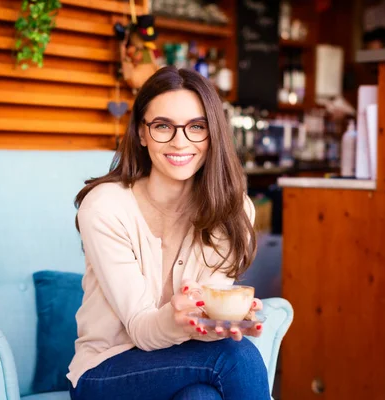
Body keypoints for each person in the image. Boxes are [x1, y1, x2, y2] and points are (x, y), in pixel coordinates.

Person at [67, 66, 270, 400]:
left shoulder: (232, 212)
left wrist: (216, 322)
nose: (180, 142)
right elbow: (142, 330)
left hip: (185, 364)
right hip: (104, 373)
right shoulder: (105, 207)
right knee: (237, 357)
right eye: (163, 126)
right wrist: (180, 321)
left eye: (197, 127)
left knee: (201, 397)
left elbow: (204, 319)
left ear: (213, 134)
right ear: (142, 134)